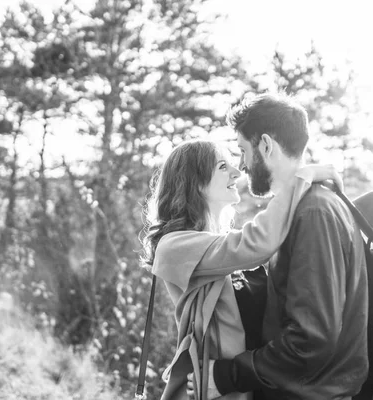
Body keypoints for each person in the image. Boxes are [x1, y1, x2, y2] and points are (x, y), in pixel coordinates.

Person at [140, 138, 342, 400]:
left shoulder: (219, 244)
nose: (237, 172)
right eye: (223, 166)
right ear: (195, 182)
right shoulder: (175, 245)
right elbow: (259, 242)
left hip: (249, 386)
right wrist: (303, 177)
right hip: (217, 390)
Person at [199, 93, 370, 400]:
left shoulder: (314, 212)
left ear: (266, 145)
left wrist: (226, 376)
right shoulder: (300, 211)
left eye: (242, 150)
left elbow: (310, 339)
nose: (241, 165)